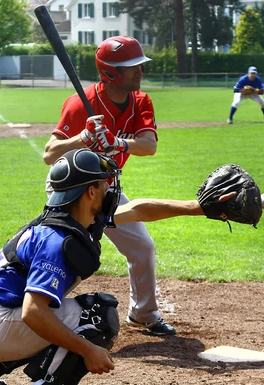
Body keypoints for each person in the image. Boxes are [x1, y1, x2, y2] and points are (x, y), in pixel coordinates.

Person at [0, 149, 239, 385]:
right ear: (90, 192)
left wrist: (199, 208)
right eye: (104, 184)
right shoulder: (57, 240)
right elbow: (33, 314)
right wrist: (87, 349)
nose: (110, 190)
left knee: (59, 316)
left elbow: (138, 210)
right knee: (96, 315)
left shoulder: (73, 217)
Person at [42, 36, 176, 336]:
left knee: (141, 246)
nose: (140, 72)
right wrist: (82, 139)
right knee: (72, 257)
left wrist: (118, 143)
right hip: (71, 193)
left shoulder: (141, 100)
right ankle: (39, 314)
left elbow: (148, 145)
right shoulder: (79, 104)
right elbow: (49, 154)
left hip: (106, 189)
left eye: (140, 65)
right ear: (111, 73)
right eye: (133, 68)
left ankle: (144, 313)